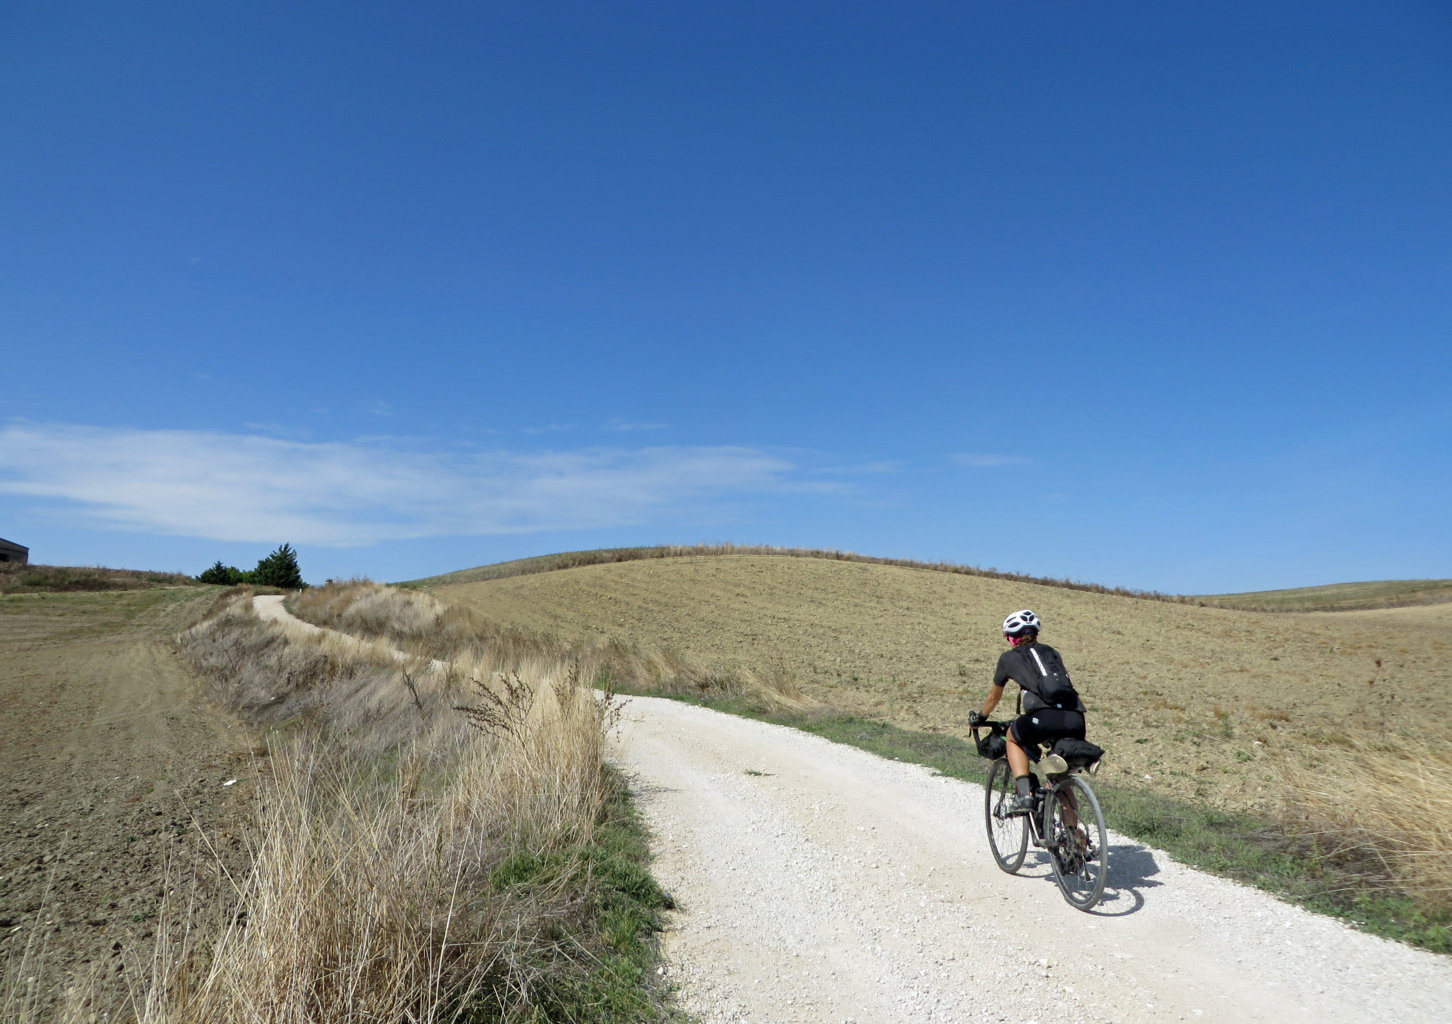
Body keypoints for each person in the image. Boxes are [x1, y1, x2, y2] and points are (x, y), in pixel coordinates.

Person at [969, 609, 1087, 814]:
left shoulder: (1008, 658)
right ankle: (1074, 837)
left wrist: (981, 717)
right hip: (1075, 718)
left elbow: (993, 697)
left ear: (1012, 638)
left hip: (1044, 718)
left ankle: (1025, 796)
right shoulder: (1051, 652)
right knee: (1060, 779)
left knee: (1012, 738)